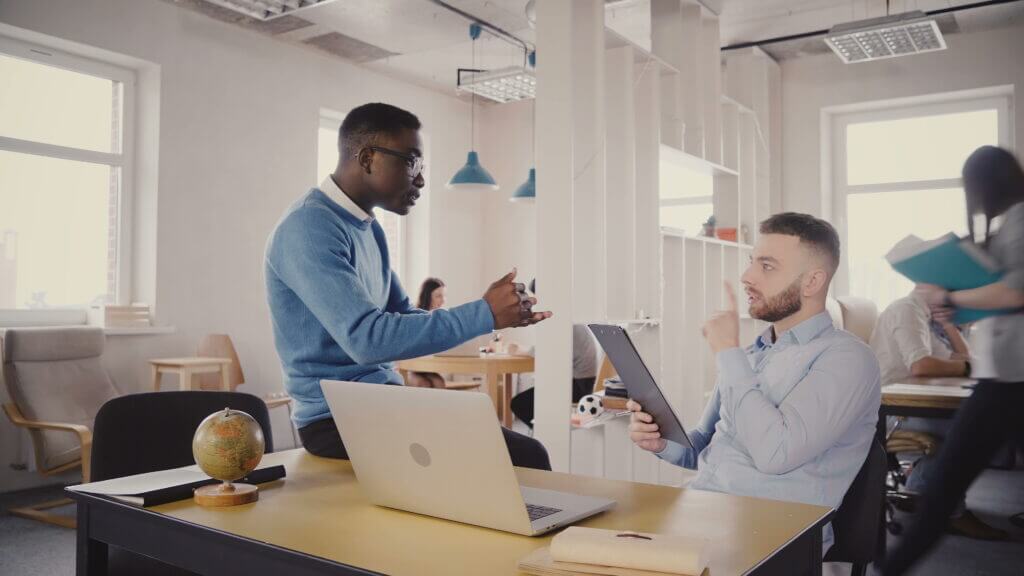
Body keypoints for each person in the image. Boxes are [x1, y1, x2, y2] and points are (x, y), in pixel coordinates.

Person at [265, 103, 552, 468]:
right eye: (412, 162)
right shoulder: (309, 227)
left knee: (524, 451)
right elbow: (369, 340)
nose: (420, 180)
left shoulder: (369, 229)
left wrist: (495, 314)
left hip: (382, 401)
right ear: (367, 157)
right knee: (524, 456)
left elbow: (403, 316)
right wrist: (485, 314)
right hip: (335, 419)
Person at [627, 212, 881, 555]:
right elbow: (703, 448)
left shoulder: (848, 359)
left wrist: (728, 354)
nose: (747, 276)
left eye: (767, 266)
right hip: (702, 516)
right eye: (751, 263)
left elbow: (775, 455)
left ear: (812, 282)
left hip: (772, 537)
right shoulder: (750, 354)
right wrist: (661, 442)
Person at [881, 146, 1024, 575]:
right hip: (1003, 377)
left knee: (945, 487)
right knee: (945, 487)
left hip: (1010, 379)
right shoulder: (1008, 226)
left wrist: (950, 296)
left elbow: (1016, 291)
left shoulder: (1019, 219)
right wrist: (956, 303)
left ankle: (892, 568)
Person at [870, 291, 1006, 540]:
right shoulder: (907, 310)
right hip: (891, 413)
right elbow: (921, 366)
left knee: (981, 417)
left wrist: (949, 327)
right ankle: (950, 513)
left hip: (909, 406)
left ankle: (921, 489)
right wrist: (968, 366)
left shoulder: (927, 316)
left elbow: (965, 360)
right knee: (974, 425)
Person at [509, 280, 600, 428]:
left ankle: (547, 433)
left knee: (519, 404)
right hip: (582, 382)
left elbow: (550, 354)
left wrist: (520, 349)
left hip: (577, 387)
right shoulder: (570, 317)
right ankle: (547, 431)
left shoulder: (566, 322)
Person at [406, 277, 448, 389]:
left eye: (444, 296)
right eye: (438, 296)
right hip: (411, 368)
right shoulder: (414, 317)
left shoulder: (441, 319)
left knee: (439, 383)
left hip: (428, 368)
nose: (443, 300)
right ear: (427, 297)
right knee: (423, 384)